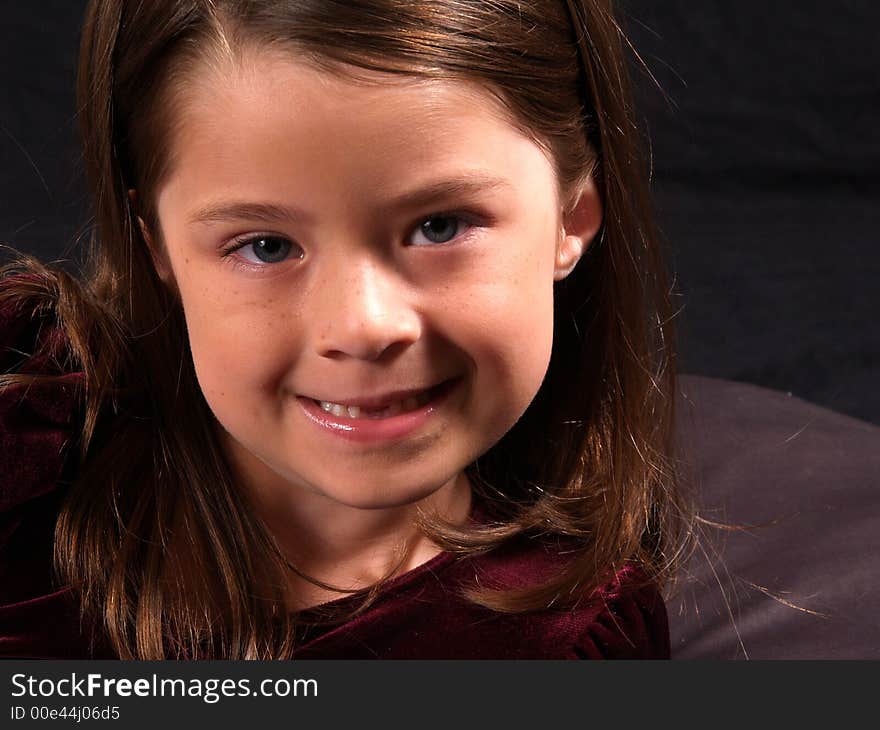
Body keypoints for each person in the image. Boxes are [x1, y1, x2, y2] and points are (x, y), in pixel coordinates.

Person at [0, 0, 694, 659]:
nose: (362, 327)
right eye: (265, 246)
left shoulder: (566, 643)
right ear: (155, 249)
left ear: (570, 218)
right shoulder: (24, 416)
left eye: (439, 226)